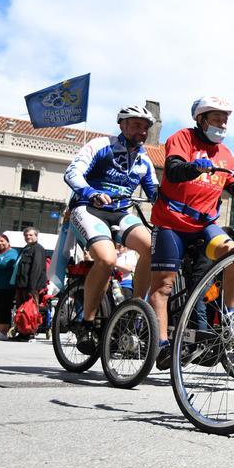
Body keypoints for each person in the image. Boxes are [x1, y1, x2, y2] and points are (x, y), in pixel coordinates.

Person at [148, 96, 234, 369]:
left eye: (225, 119)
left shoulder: (226, 154)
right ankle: (161, 345)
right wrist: (195, 166)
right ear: (201, 119)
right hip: (171, 222)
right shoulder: (182, 138)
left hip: (204, 225)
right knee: (164, 285)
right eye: (217, 119)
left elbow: (233, 185)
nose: (222, 124)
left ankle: (230, 319)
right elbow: (172, 171)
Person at [63, 104, 158, 351]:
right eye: (136, 125)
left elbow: (156, 195)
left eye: (146, 127)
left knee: (152, 247)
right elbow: (72, 173)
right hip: (89, 208)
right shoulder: (99, 145)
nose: (142, 131)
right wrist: (90, 192)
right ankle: (86, 322)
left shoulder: (144, 160)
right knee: (106, 259)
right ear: (122, 125)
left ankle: (135, 309)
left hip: (120, 212)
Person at [10, 226, 48, 341]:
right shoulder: (26, 248)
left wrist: (32, 288)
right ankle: (22, 333)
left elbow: (36, 268)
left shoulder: (38, 249)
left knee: (30, 312)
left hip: (30, 287)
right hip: (22, 285)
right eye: (26, 235)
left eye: (31, 235)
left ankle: (29, 333)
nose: (28, 237)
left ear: (36, 236)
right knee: (22, 311)